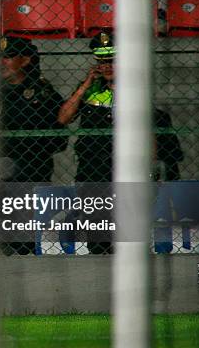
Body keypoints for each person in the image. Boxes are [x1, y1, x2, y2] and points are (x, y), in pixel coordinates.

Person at [0, 36, 67, 255]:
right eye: (0, 57)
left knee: (29, 224)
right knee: (3, 225)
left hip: (31, 166)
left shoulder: (41, 92)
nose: (2, 62)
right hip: (0, 166)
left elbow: (57, 130)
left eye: (8, 57)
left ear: (25, 60)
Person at [58, 32, 116, 254]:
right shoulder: (90, 89)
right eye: (102, 61)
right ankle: (98, 249)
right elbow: (64, 117)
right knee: (95, 215)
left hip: (122, 162)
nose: (107, 66)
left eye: (112, 60)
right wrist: (86, 84)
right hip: (92, 163)